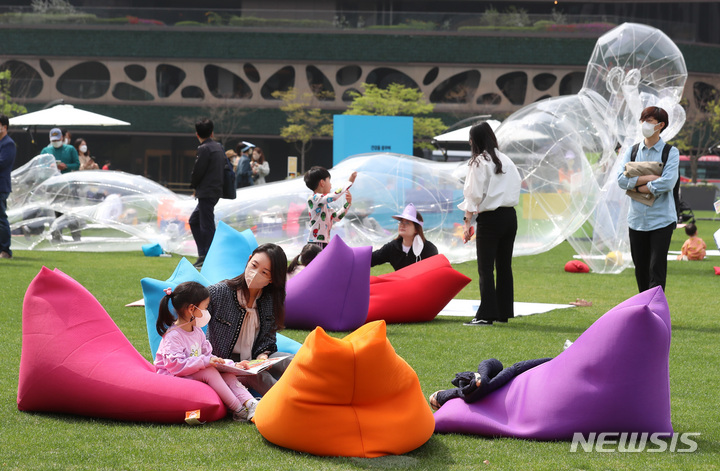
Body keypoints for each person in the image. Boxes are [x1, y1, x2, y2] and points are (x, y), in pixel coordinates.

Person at [154, 282, 259, 422]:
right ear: (192, 309)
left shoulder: (197, 331)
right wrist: (206, 361)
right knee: (209, 371)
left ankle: (251, 404)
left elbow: (208, 357)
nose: (207, 311)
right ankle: (239, 410)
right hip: (172, 377)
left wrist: (231, 365)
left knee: (226, 373)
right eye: (205, 307)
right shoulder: (173, 336)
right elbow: (175, 366)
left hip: (191, 372)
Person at [207, 243, 293, 395]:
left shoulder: (270, 300)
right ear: (248, 260)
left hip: (254, 359)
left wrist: (263, 355)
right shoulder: (219, 293)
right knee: (259, 377)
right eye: (254, 265)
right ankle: (288, 403)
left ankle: (320, 392)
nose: (255, 273)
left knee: (293, 361)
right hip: (226, 364)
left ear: (272, 279)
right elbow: (190, 320)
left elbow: (268, 337)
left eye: (265, 272)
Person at [460, 122, 521, 326]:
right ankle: (503, 312)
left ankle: (486, 314)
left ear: (475, 140)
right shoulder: (507, 160)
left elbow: (473, 195)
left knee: (485, 268)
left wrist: (467, 222)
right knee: (504, 266)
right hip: (510, 217)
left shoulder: (479, 161)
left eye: (470, 139)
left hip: (491, 219)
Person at [617, 106, 679, 292]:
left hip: (662, 220)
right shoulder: (632, 151)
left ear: (660, 125)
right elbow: (620, 180)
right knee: (641, 269)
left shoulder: (670, 152)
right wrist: (649, 179)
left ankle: (655, 312)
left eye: (649, 121)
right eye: (643, 120)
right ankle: (643, 309)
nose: (644, 125)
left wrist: (635, 186)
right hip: (636, 220)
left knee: (656, 269)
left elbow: (667, 183)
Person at [428, 357, 552, 410]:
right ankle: (480, 379)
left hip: (500, 371)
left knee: (493, 370)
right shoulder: (466, 394)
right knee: (497, 375)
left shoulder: (462, 392)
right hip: (507, 374)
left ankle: (480, 378)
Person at [189, 118, 226, 269]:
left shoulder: (204, 148)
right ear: (212, 132)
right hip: (214, 190)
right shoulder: (217, 147)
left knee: (206, 225)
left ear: (197, 134)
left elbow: (199, 171)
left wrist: (194, 185)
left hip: (206, 191)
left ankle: (209, 256)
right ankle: (204, 254)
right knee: (195, 221)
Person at [371, 203, 439, 271]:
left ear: (416, 229)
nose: (402, 225)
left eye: (407, 223)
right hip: (399, 281)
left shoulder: (429, 249)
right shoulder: (393, 247)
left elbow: (435, 273)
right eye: (401, 222)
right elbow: (371, 259)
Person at [304, 166, 357, 248]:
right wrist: (349, 182)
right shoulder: (314, 198)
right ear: (322, 183)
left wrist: (348, 204)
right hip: (316, 243)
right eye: (329, 181)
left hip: (323, 242)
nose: (331, 185)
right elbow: (334, 197)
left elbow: (337, 217)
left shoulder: (323, 204)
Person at [0, 114, 17, 260]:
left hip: (1, 186)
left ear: (4, 127)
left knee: (1, 219)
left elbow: (2, 163)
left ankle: (6, 250)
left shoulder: (8, 143)